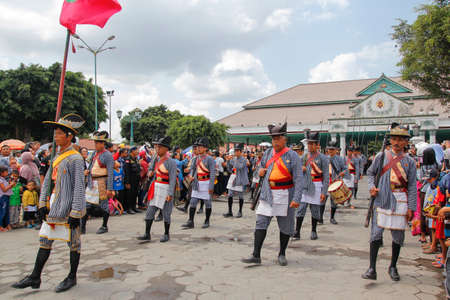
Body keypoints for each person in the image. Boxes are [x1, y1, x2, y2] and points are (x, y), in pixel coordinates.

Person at [12, 114, 86, 293]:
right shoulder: (56, 156)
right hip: (53, 203)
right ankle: (35, 276)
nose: (56, 136)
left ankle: (72, 277)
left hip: (68, 206)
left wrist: (76, 212)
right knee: (45, 239)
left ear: (69, 136)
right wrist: (43, 203)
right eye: (55, 133)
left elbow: (78, 187)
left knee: (73, 242)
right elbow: (47, 182)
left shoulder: (75, 158)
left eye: (59, 133)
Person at [362, 122, 417, 282]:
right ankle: (372, 268)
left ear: (406, 142)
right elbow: (370, 173)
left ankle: (393, 266)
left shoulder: (410, 162)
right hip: (381, 199)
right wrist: (372, 187)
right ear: (390, 140)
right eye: (395, 139)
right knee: (376, 235)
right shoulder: (381, 156)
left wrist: (411, 207)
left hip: (400, 199)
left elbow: (413, 185)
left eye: (401, 139)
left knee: (398, 236)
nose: (398, 142)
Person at [242, 122, 302, 266]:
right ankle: (256, 254)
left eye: (277, 138)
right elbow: (259, 169)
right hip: (267, 192)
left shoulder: (292, 155)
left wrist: (296, 198)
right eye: (273, 139)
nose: (274, 141)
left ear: (284, 139)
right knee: (261, 222)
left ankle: (282, 253)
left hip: (285, 194)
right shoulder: (268, 153)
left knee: (286, 226)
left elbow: (299, 178)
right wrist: (259, 171)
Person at [137, 136, 177, 243]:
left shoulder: (171, 162)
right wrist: (150, 172)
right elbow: (151, 168)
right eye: (156, 147)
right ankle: (147, 233)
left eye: (159, 147)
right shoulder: (156, 158)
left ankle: (166, 233)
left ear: (165, 149)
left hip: (166, 187)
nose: (157, 149)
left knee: (166, 213)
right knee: (150, 211)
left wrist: (170, 193)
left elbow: (173, 178)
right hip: (155, 187)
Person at [294, 130, 329, 240]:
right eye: (308, 143)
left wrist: (324, 192)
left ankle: (313, 230)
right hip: (305, 185)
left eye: (312, 143)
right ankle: (297, 231)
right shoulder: (303, 157)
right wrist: (302, 169)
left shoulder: (323, 158)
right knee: (301, 209)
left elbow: (326, 176)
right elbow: (297, 172)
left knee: (315, 209)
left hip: (317, 184)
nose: (309, 146)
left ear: (317, 145)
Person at [82, 131, 115, 235]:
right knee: (86, 204)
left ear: (102, 143)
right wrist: (88, 171)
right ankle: (82, 226)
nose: (95, 144)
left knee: (104, 205)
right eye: (95, 142)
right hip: (92, 181)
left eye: (97, 143)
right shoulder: (95, 154)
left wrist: (110, 188)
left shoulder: (108, 155)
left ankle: (104, 226)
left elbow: (110, 172)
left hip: (102, 182)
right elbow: (91, 166)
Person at [182, 137, 216, 229]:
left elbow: (213, 173)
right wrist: (191, 176)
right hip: (197, 182)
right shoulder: (195, 158)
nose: (199, 148)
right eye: (198, 147)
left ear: (205, 148)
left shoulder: (210, 159)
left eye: (201, 147)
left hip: (206, 182)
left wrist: (211, 186)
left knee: (208, 203)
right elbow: (193, 169)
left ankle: (207, 220)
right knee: (193, 202)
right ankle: (190, 221)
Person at [320, 140, 349, 225]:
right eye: (329, 149)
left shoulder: (340, 159)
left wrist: (343, 172)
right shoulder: (323, 158)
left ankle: (332, 218)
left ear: (336, 150)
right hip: (325, 182)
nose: (331, 151)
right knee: (322, 201)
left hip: (335, 182)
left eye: (332, 149)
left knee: (334, 202)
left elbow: (345, 168)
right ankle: (320, 218)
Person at [224, 143, 249, 218]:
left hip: (240, 178)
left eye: (238, 151)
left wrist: (232, 160)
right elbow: (229, 168)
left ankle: (240, 211)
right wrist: (228, 161)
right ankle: (230, 211)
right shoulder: (234, 159)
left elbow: (240, 167)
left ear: (241, 152)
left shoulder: (244, 159)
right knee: (230, 194)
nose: (236, 152)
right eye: (235, 151)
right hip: (233, 176)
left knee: (240, 195)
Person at [124, 146, 141, 215]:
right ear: (132, 151)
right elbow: (127, 172)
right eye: (136, 150)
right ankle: (129, 208)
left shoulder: (136, 159)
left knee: (135, 193)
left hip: (136, 179)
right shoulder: (128, 159)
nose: (138, 151)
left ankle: (134, 207)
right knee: (130, 194)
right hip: (130, 180)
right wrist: (127, 182)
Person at [0, 165, 15, 231]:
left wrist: (11, 185)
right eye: (6, 172)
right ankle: (0, 226)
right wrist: (10, 185)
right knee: (2, 212)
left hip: (6, 197)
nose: (7, 173)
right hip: (2, 197)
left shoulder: (4, 179)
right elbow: (4, 190)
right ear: (1, 172)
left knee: (6, 212)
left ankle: (6, 225)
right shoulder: (0, 180)